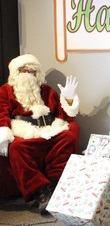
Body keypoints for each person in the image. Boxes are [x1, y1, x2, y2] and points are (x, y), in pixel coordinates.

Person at [0, 54, 80, 214]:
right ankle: (41, 191)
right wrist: (3, 130)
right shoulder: (5, 91)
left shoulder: (46, 91)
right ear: (16, 73)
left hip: (50, 130)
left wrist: (69, 100)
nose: (29, 74)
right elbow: (1, 112)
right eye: (24, 71)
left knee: (68, 136)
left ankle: (54, 184)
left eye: (32, 71)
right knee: (16, 148)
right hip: (24, 133)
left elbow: (65, 116)